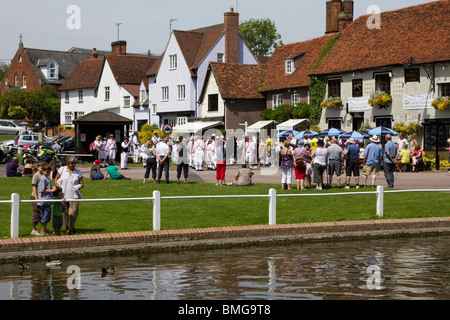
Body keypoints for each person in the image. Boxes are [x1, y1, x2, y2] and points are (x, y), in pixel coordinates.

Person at [54, 156, 84, 235]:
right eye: (71, 163)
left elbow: (81, 183)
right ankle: (66, 227)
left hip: (73, 196)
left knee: (73, 213)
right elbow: (55, 180)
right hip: (63, 195)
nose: (73, 165)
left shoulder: (78, 172)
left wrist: (79, 187)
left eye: (74, 163)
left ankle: (72, 226)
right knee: (65, 212)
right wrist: (58, 188)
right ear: (68, 163)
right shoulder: (62, 169)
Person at [38, 163, 57, 235]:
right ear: (42, 171)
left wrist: (52, 187)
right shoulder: (43, 178)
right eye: (47, 172)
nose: (48, 173)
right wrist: (51, 190)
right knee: (45, 216)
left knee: (47, 216)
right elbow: (42, 189)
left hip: (47, 200)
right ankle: (43, 231)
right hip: (44, 201)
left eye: (49, 172)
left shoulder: (46, 178)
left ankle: (44, 230)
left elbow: (46, 188)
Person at [30, 161, 45, 236]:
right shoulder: (36, 175)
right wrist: (36, 197)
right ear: (38, 167)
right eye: (41, 168)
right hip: (36, 196)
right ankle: (34, 229)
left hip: (43, 196)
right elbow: (34, 186)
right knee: (36, 212)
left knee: (43, 213)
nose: (42, 169)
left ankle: (43, 229)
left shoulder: (44, 175)